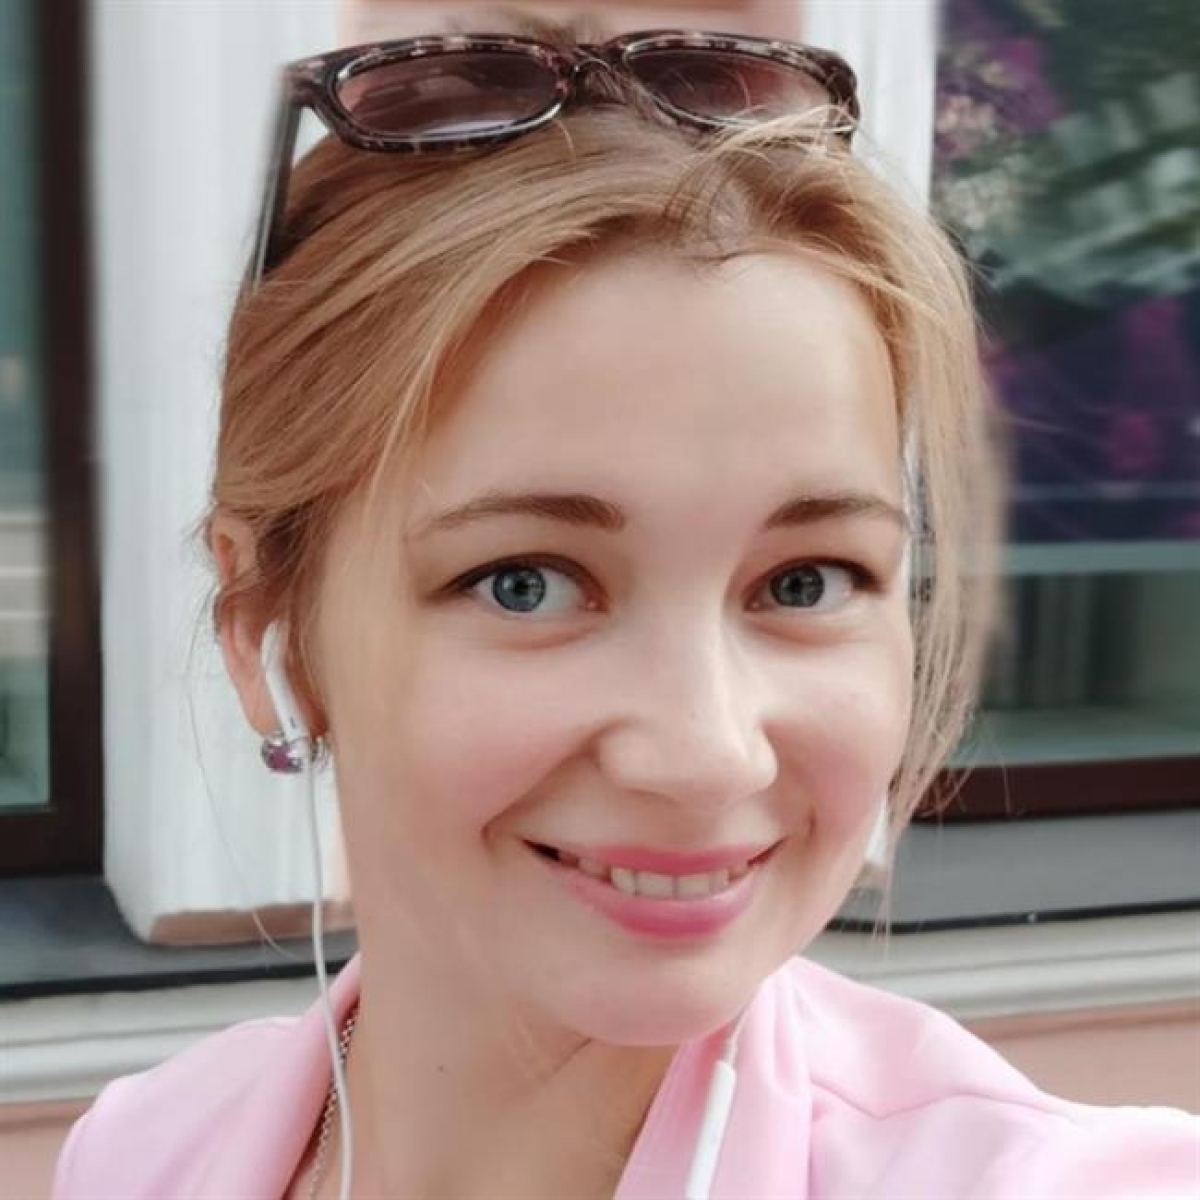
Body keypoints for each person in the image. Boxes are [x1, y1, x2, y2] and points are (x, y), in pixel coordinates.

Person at [53, 16, 1199, 1200]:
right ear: (266, 629)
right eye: (526, 583)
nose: (706, 755)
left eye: (804, 582)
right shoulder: (143, 1155)